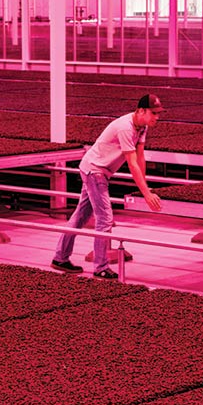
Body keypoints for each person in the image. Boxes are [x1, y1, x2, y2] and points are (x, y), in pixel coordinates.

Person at [50, 94, 164, 279]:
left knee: (80, 216)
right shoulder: (125, 128)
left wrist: (146, 186)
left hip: (96, 169)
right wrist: (145, 193)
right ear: (141, 110)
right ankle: (100, 267)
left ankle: (60, 258)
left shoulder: (142, 126)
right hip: (95, 171)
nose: (157, 117)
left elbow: (140, 156)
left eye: (159, 114)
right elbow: (132, 163)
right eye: (154, 113)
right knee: (105, 218)